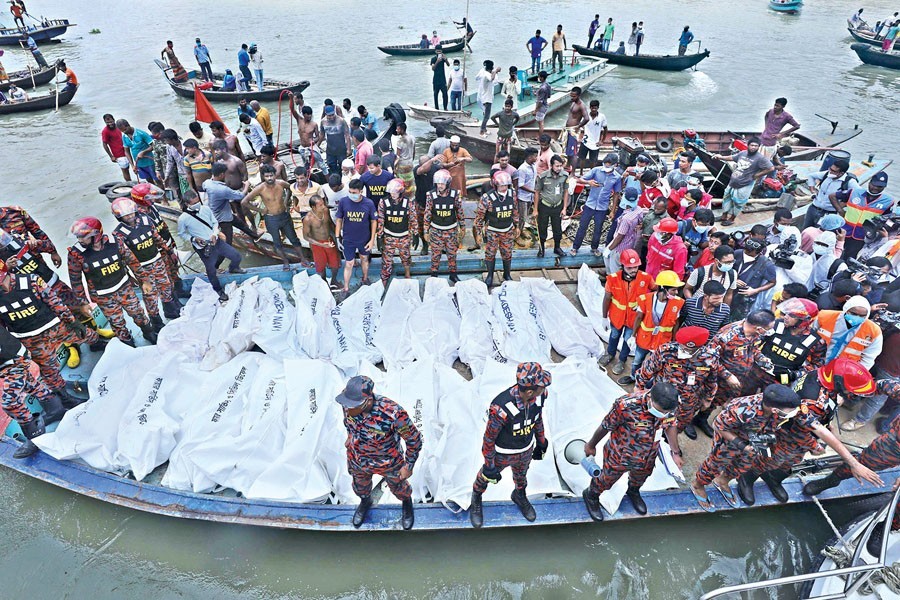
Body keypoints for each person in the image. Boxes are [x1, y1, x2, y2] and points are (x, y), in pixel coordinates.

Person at [740, 359, 882, 505]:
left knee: (792, 461)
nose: (852, 395)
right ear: (840, 382)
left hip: (803, 436)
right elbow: (802, 431)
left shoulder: (822, 378)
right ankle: (746, 478)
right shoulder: (812, 400)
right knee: (770, 460)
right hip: (788, 435)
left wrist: (828, 422)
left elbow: (826, 408)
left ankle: (772, 478)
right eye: (851, 391)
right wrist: (816, 446)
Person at [0, 260, 99, 409]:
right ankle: (65, 398)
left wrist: (72, 321)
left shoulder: (31, 280)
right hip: (31, 340)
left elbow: (54, 301)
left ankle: (100, 344)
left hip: (55, 326)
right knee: (49, 370)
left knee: (87, 334)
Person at [690, 384, 802, 511]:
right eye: (790, 410)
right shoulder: (743, 409)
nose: (793, 412)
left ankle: (722, 481)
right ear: (775, 410)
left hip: (756, 438)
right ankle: (698, 485)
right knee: (715, 464)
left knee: (743, 465)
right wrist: (742, 445)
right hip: (731, 441)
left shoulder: (775, 406)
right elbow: (719, 426)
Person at [581, 382, 682, 521]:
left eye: (666, 413)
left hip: (648, 455)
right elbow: (606, 426)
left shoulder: (671, 404)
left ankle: (633, 491)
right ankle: (591, 495)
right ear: (651, 398)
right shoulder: (626, 405)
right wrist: (591, 445)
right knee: (606, 479)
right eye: (661, 411)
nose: (663, 415)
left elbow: (671, 425)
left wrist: (675, 452)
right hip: (620, 454)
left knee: (640, 477)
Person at [470, 362, 552, 528]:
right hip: (503, 453)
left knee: (521, 477)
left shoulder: (541, 396)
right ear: (529, 391)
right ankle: (476, 498)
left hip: (525, 450)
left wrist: (541, 442)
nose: (544, 388)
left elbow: (537, 418)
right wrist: (489, 465)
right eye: (541, 386)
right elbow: (489, 439)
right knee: (484, 478)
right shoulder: (501, 408)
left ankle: (519, 495)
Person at [337, 375, 421, 531]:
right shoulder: (349, 401)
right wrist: (350, 435)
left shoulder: (392, 413)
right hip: (359, 459)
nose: (347, 408)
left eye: (352, 406)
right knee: (360, 487)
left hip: (388, 462)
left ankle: (407, 504)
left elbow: (414, 440)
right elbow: (348, 421)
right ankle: (365, 501)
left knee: (399, 488)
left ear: (368, 401)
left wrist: (408, 466)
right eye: (346, 405)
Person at [637, 325, 739, 440]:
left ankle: (668, 443)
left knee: (678, 426)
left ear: (700, 347)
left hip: (687, 402)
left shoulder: (709, 357)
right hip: (663, 397)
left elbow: (711, 380)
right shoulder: (666, 351)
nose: (684, 351)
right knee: (652, 423)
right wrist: (638, 388)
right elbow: (646, 371)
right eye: (683, 347)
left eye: (689, 350)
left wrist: (708, 400)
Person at [67, 217, 157, 345]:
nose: (80, 240)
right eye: (78, 237)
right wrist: (83, 303)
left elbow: (133, 262)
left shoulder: (115, 243)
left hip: (124, 288)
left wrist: (144, 280)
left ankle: (149, 332)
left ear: (96, 235)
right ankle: (127, 342)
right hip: (103, 296)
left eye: (83, 237)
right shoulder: (76, 254)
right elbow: (75, 281)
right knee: (117, 322)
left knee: (138, 313)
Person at [109, 198, 181, 329]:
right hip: (142, 270)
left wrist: (169, 251)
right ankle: (156, 322)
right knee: (150, 296)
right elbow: (122, 257)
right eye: (125, 216)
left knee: (166, 286)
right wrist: (129, 275)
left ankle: (170, 310)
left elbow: (157, 238)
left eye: (131, 213)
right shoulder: (119, 234)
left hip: (157, 261)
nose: (130, 217)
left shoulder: (146, 220)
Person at [618, 270, 685, 385]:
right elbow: (638, 318)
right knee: (637, 360)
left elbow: (676, 324)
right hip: (644, 338)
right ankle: (633, 377)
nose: (676, 292)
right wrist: (633, 336)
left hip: (662, 341)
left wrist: (674, 342)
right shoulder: (645, 299)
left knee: (655, 364)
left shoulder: (678, 303)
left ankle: (647, 383)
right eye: (673, 289)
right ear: (663, 288)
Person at [177, 191, 244, 302]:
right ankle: (218, 290)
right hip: (202, 246)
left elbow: (214, 223)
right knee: (211, 270)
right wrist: (193, 239)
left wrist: (214, 233)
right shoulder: (183, 219)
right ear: (187, 204)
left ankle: (234, 268)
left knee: (236, 256)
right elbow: (182, 233)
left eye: (198, 201)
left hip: (216, 240)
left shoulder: (206, 209)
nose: (197, 204)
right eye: (194, 203)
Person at [754, 297, 826, 390]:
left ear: (804, 321)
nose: (785, 317)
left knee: (772, 401)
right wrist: (760, 358)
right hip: (759, 370)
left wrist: (795, 374)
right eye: (786, 314)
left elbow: (817, 366)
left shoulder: (815, 341)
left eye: (791, 315)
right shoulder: (775, 325)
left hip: (783, 378)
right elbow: (754, 342)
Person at [600, 249, 653, 375]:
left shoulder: (645, 278)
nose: (633, 270)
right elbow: (607, 298)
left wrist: (643, 303)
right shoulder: (613, 279)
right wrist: (604, 317)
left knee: (627, 340)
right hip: (616, 317)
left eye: (635, 267)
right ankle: (610, 354)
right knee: (614, 336)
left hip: (633, 319)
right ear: (622, 265)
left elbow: (655, 291)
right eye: (630, 268)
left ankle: (622, 361)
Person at [241, 165, 303, 270]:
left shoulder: (281, 183)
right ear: (263, 177)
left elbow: (290, 188)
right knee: (277, 242)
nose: (269, 178)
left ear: (275, 175)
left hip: (284, 215)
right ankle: (285, 262)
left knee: (294, 239)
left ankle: (303, 259)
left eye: (271, 175)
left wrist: (287, 201)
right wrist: (261, 211)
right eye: (267, 176)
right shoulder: (260, 188)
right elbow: (244, 202)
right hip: (271, 218)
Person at [713, 138, 775, 226]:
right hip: (733, 182)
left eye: (756, 146)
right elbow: (732, 157)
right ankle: (724, 216)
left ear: (759, 147)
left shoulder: (760, 158)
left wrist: (758, 175)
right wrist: (721, 157)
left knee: (739, 202)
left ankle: (732, 219)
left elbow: (771, 168)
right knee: (727, 198)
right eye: (752, 145)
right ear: (748, 145)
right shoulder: (742, 153)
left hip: (745, 184)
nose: (753, 147)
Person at [834, 171, 893, 260]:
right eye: (874, 185)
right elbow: (832, 196)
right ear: (869, 183)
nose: (876, 188)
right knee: (834, 253)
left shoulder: (888, 202)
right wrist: (840, 210)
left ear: (884, 187)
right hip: (844, 231)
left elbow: (887, 220)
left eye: (880, 186)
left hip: (861, 236)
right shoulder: (854, 192)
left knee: (849, 258)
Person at [571, 153, 622, 256]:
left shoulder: (617, 177)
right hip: (590, 205)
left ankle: (594, 248)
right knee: (582, 227)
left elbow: (616, 194)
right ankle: (575, 247)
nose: (606, 167)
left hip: (602, 208)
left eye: (609, 165)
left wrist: (612, 211)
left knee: (598, 229)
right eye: (605, 164)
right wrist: (588, 182)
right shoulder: (596, 170)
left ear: (615, 165)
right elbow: (579, 179)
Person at [813, 295, 883, 369]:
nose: (857, 317)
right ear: (846, 310)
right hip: (815, 362)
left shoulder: (874, 331)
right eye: (853, 314)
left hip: (842, 370)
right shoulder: (824, 317)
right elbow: (806, 336)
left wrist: (853, 373)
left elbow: (868, 359)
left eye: (862, 316)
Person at [474, 171, 518, 287]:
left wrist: (517, 226)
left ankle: (507, 274)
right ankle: (490, 275)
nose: (504, 188)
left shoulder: (512, 193)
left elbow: (514, 210)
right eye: (501, 185)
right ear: (495, 185)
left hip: (507, 230)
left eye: (506, 185)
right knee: (490, 253)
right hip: (493, 231)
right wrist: (478, 233)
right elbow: (479, 217)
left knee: (507, 253)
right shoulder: (487, 198)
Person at [334, 179, 377, 293]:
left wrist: (372, 240)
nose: (351, 195)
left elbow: (374, 221)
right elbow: (339, 219)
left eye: (354, 192)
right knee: (349, 263)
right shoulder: (343, 202)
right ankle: (346, 288)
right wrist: (338, 237)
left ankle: (365, 278)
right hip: (348, 239)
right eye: (350, 192)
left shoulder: (369, 203)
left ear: (361, 191)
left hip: (364, 239)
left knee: (364, 259)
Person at [211, 139, 258, 239]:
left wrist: (245, 187)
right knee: (238, 211)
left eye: (217, 150)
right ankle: (245, 228)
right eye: (215, 150)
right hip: (228, 191)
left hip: (239, 189)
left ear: (224, 149)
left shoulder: (236, 161)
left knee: (245, 210)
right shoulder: (218, 162)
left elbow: (245, 175)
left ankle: (254, 226)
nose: (215, 152)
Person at [377, 179, 418, 287]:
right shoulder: (383, 202)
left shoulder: (408, 203)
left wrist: (416, 234)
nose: (393, 194)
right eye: (391, 192)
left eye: (395, 192)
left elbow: (413, 219)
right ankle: (384, 278)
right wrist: (379, 237)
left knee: (406, 257)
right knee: (386, 260)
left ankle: (407, 274)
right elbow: (381, 220)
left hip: (404, 236)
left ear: (401, 192)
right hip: (389, 236)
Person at [424, 169, 463, 281]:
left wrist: (463, 226)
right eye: (438, 183)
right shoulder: (431, 195)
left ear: (448, 183)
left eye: (442, 183)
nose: (440, 185)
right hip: (436, 230)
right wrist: (426, 230)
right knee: (435, 254)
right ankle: (434, 274)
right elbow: (427, 213)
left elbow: (459, 211)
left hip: (451, 230)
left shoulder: (455, 194)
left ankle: (453, 274)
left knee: (452, 253)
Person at [202, 162, 249, 248]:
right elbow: (240, 196)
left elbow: (203, 186)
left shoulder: (207, 183)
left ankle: (254, 235)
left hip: (221, 213)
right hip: (222, 218)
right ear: (221, 175)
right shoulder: (222, 189)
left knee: (240, 224)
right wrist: (246, 186)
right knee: (228, 240)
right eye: (225, 174)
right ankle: (225, 255)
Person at [731, 237, 777, 320]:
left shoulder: (766, 264)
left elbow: (772, 282)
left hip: (745, 298)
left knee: (737, 318)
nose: (746, 253)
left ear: (758, 252)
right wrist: (733, 279)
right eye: (745, 250)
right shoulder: (737, 253)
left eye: (749, 252)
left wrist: (755, 290)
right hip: (730, 290)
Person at [534, 155, 569, 258]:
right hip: (544, 206)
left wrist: (564, 208)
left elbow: (566, 192)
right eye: (557, 166)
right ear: (551, 166)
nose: (559, 168)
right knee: (542, 228)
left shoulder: (565, 176)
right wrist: (535, 209)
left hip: (557, 206)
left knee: (557, 229)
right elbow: (537, 192)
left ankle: (557, 248)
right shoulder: (543, 177)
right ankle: (541, 249)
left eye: (560, 166)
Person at [302, 196, 341, 289]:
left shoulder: (326, 211)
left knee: (335, 263)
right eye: (320, 205)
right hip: (317, 244)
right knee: (321, 266)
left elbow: (331, 224)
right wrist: (321, 244)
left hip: (329, 241)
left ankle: (334, 280)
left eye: (323, 203)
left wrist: (338, 236)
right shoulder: (308, 219)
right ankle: (324, 284)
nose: (323, 206)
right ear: (313, 207)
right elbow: (306, 236)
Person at [804, 159, 855, 230]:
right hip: (813, 208)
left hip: (828, 213)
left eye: (834, 171)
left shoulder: (849, 182)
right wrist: (812, 189)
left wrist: (844, 204)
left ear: (841, 173)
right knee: (805, 230)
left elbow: (858, 194)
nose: (830, 171)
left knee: (819, 233)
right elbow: (811, 176)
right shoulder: (826, 174)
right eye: (830, 169)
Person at [604, 188, 645, 274]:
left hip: (619, 248)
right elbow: (640, 223)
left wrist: (610, 249)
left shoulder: (626, 219)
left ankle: (614, 283)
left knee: (615, 270)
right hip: (630, 243)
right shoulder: (638, 210)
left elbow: (620, 237)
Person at [117, 119, 156, 184]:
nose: (124, 132)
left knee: (156, 178)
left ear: (128, 125)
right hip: (139, 164)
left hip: (150, 162)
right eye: (122, 131)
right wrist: (132, 165)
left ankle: (163, 192)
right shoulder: (124, 137)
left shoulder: (141, 133)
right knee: (149, 180)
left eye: (125, 129)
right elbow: (127, 152)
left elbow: (153, 146)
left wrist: (144, 152)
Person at [319, 104, 351, 176]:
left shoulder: (341, 121)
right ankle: (336, 180)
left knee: (343, 166)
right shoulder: (323, 122)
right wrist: (317, 146)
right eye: (329, 115)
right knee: (331, 166)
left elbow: (347, 135)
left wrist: (349, 149)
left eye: (333, 115)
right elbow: (322, 135)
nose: (331, 117)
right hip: (330, 149)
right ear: (326, 114)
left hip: (341, 148)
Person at [577, 100, 607, 174]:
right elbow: (581, 126)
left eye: (595, 108)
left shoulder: (602, 117)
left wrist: (602, 141)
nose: (594, 109)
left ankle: (591, 173)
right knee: (582, 158)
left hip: (595, 143)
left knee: (593, 160)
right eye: (592, 108)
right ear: (590, 107)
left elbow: (605, 129)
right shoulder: (585, 116)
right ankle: (581, 173)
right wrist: (580, 137)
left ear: (598, 108)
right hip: (585, 141)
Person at [100, 113, 131, 182]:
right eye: (107, 123)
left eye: (111, 122)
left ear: (114, 120)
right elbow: (105, 144)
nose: (110, 124)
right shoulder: (105, 131)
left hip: (127, 150)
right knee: (125, 170)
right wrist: (111, 156)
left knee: (130, 167)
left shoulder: (118, 127)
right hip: (118, 154)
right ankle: (129, 183)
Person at [563, 86, 589, 167]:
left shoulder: (581, 105)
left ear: (578, 95)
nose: (572, 97)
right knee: (568, 150)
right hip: (568, 129)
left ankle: (573, 172)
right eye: (571, 95)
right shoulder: (573, 102)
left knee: (573, 151)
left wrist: (579, 126)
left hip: (573, 130)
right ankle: (567, 165)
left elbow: (587, 118)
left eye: (574, 96)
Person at [475, 60, 501, 136]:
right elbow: (492, 78)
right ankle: (481, 131)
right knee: (486, 116)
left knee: (486, 115)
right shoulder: (486, 74)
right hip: (486, 98)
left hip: (488, 97)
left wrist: (495, 71)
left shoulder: (487, 73)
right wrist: (496, 71)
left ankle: (485, 129)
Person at [516, 147, 539, 228]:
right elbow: (520, 184)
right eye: (535, 156)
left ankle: (521, 229)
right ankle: (519, 231)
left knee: (526, 215)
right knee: (522, 217)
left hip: (530, 196)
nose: (537, 158)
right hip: (523, 197)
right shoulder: (522, 169)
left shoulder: (533, 166)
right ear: (530, 157)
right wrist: (533, 191)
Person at [430, 46, 449, 111]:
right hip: (436, 80)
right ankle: (436, 108)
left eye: (440, 51)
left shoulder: (443, 58)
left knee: (445, 94)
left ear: (442, 51)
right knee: (435, 95)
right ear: (435, 51)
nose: (439, 52)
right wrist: (437, 61)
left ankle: (445, 108)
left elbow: (448, 65)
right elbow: (433, 68)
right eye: (437, 51)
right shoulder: (433, 59)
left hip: (443, 80)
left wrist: (445, 59)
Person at [534, 71, 552, 137]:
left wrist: (535, 111)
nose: (538, 78)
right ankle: (540, 136)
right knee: (541, 123)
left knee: (540, 123)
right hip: (545, 105)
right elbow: (549, 96)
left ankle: (540, 137)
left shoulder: (542, 88)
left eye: (539, 77)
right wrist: (538, 93)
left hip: (541, 107)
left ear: (541, 78)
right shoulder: (548, 85)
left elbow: (540, 102)